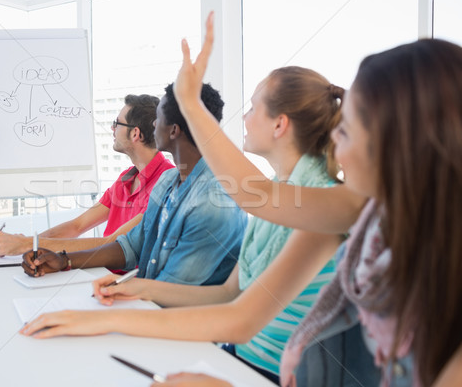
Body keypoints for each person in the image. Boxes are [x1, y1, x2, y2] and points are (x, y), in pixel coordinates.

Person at [161, 14, 462, 387]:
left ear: (398, 149)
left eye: (347, 132)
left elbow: (240, 307)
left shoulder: (345, 208)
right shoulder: (369, 215)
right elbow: (260, 197)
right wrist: (188, 102)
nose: (336, 146)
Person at [18, 65, 344, 386]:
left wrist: (101, 319)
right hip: (238, 357)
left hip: (270, 372)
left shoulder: (315, 208)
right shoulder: (277, 193)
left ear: (280, 125)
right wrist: (135, 287)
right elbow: (230, 293)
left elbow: (239, 317)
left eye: (253, 108)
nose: (243, 118)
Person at [21, 83, 247, 286]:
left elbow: (171, 289)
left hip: (176, 319)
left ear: (174, 130)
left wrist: (120, 290)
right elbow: (131, 245)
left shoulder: (211, 204)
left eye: (158, 118)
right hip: (148, 301)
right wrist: (64, 260)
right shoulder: (169, 182)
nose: (153, 124)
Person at [0, 94, 174, 256]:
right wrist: (28, 243)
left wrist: (29, 245)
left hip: (123, 282)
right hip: (102, 271)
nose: (112, 129)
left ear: (136, 134)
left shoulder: (167, 182)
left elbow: (114, 244)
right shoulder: (127, 178)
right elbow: (77, 226)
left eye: (116, 124)